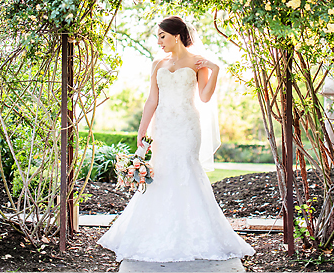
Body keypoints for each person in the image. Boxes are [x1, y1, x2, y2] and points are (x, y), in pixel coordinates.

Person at [97, 15, 256, 263]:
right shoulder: (157, 64)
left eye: (162, 36)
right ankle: (153, 230)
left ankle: (195, 234)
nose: (159, 41)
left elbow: (204, 97)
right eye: (157, 37)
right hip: (163, 127)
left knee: (185, 170)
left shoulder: (197, 63)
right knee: (161, 173)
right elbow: (152, 100)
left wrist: (215, 69)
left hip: (187, 127)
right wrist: (142, 129)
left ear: (177, 36)